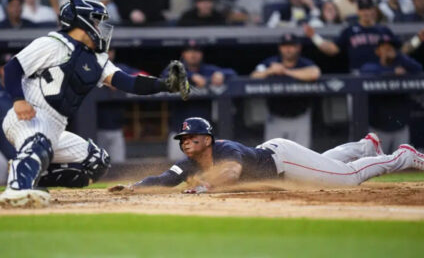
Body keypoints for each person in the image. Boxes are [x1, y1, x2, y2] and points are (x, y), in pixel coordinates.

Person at [0, 0, 190, 208]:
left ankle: (32, 174)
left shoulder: (97, 59)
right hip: (29, 117)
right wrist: (19, 100)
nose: (100, 27)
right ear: (81, 21)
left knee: (96, 162)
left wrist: (165, 85)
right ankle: (17, 188)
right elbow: (12, 68)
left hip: (54, 127)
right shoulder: (51, 43)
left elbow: (128, 82)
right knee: (38, 143)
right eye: (96, 21)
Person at [109, 117, 424, 194]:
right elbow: (164, 179)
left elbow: (231, 173)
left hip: (282, 160)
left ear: (206, 139)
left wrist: (205, 185)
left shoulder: (225, 149)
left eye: (191, 137)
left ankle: (403, 156)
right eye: (182, 138)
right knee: (328, 163)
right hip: (282, 166)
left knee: (349, 178)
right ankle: (366, 145)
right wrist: (133, 187)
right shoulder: (188, 162)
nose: (185, 142)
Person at [163, 42, 237, 161]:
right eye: (189, 51)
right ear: (184, 54)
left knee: (212, 169)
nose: (193, 55)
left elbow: (232, 72)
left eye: (196, 51)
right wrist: (191, 76)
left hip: (205, 132)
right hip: (180, 131)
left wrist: (221, 74)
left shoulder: (208, 70)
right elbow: (165, 75)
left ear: (201, 54)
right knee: (175, 168)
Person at [251, 34, 321, 148]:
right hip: (275, 118)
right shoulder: (271, 62)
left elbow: (315, 73)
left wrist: (285, 71)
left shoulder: (304, 63)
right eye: (285, 46)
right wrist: (269, 71)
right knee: (271, 157)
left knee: (302, 159)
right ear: (280, 48)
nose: (288, 49)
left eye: (291, 46)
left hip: (300, 118)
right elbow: (254, 76)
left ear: (298, 48)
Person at [360, 36, 423, 153]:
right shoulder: (371, 67)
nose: (389, 50)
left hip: (401, 128)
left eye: (392, 48)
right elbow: (365, 71)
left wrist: (399, 56)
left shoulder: (403, 66)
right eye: (384, 47)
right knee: (376, 165)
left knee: (402, 165)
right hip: (378, 129)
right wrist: (391, 72)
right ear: (377, 51)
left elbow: (419, 68)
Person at [304, 0, 399, 73]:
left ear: (374, 11)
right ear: (358, 11)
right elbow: (332, 49)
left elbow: (400, 50)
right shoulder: (349, 30)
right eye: (362, 9)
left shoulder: (384, 30)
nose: (365, 12)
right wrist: (314, 37)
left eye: (368, 9)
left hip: (382, 73)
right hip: (357, 75)